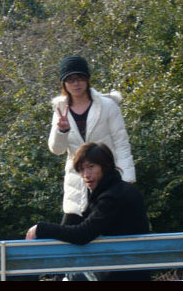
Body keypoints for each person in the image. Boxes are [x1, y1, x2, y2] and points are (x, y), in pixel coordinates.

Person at [26, 142, 151, 281]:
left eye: (91, 167)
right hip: (129, 267)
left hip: (123, 273)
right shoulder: (117, 190)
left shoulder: (112, 197)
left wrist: (40, 229)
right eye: (81, 169)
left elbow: (83, 234)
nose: (86, 174)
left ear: (105, 166)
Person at [49, 55, 136, 226]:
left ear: (87, 79)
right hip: (77, 183)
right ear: (64, 84)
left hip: (107, 180)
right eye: (70, 79)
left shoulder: (108, 105)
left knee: (116, 230)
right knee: (70, 232)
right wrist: (62, 130)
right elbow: (57, 150)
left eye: (80, 78)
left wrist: (126, 181)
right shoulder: (60, 110)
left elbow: (121, 144)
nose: (76, 83)